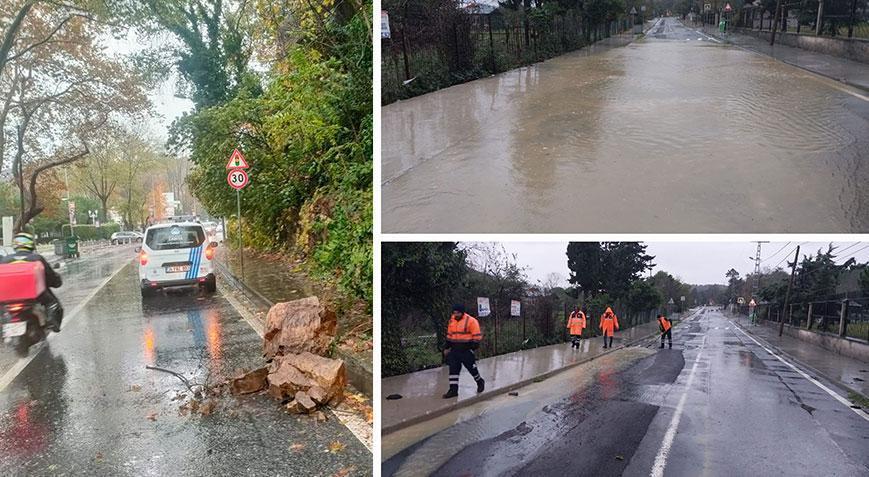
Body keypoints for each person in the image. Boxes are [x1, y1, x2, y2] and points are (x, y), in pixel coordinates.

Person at [0, 232, 63, 331]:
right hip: (34, 294)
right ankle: (52, 324)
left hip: (8, 296)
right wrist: (56, 282)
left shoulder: (5, 260)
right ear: (31, 244)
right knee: (53, 304)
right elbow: (50, 276)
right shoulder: (37, 258)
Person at [442, 304, 485, 399]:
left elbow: (476, 337)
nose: (456, 314)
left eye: (458, 312)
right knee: (453, 370)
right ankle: (453, 390)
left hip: (466, 350)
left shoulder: (471, 321)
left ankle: (480, 381)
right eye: (454, 312)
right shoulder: (452, 321)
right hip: (454, 350)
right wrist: (446, 348)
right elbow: (449, 336)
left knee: (472, 369)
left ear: (462, 312)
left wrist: (472, 348)